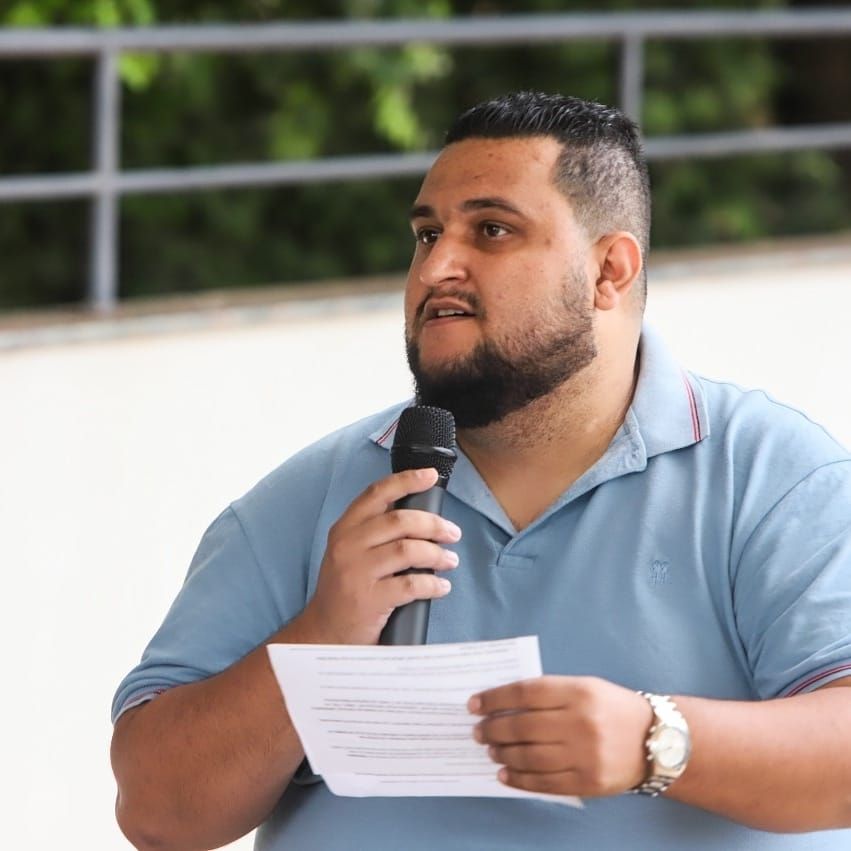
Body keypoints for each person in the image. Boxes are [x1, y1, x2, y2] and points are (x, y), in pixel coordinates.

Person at [110, 92, 851, 850]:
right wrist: (320, 634)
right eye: (426, 233)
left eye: (490, 230)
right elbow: (160, 811)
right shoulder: (309, 500)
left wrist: (654, 739)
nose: (435, 266)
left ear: (608, 271)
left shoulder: (774, 478)